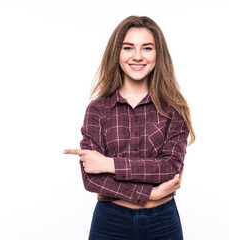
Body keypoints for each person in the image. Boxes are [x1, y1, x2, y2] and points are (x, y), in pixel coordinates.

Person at [64, 15, 195, 240]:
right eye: (128, 47)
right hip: (110, 222)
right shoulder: (98, 109)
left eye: (147, 48)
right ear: (117, 53)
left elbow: (169, 168)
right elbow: (91, 179)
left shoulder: (173, 109)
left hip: (162, 223)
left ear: (158, 54)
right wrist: (150, 193)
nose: (137, 56)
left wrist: (108, 164)